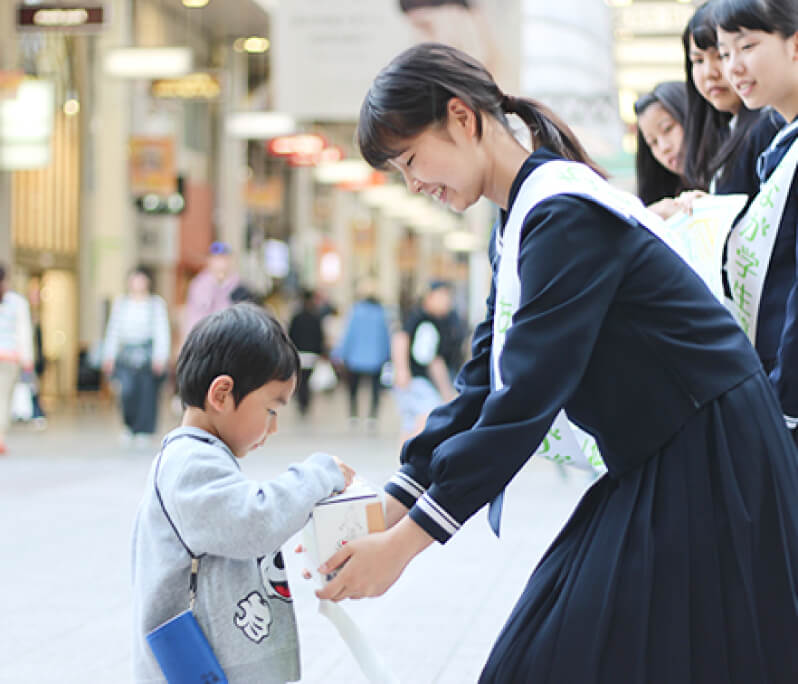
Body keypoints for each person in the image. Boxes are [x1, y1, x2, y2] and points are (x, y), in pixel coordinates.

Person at [315, 43, 798, 682]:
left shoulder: (563, 213)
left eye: (410, 160)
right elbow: (484, 379)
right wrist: (396, 500)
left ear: (462, 118)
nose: (415, 185)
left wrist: (404, 547)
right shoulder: (526, 215)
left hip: (709, 454)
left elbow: (523, 401)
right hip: (666, 453)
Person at [131, 303, 355, 683]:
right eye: (271, 409)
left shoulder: (201, 457)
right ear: (222, 394)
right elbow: (255, 521)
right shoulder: (189, 465)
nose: (274, 427)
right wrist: (319, 474)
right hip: (198, 670)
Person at [716, 0, 798, 445]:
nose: (733, 67)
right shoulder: (779, 145)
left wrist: (784, 406)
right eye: (725, 52)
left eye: (746, 45)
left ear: (795, 45)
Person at [682, 1, 783, 199]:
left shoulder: (769, 126)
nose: (710, 73)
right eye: (698, 60)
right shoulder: (728, 132)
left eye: (721, 55)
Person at [102, 266, 170, 447]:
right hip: (126, 353)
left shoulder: (155, 304)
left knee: (147, 392)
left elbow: (161, 331)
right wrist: (109, 355)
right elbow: (113, 330)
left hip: (147, 352)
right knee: (127, 391)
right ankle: (129, 425)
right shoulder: (121, 303)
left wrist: (160, 357)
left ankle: (145, 429)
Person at [392, 280, 457, 441]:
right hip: (418, 380)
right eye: (442, 296)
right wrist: (402, 370)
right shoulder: (425, 321)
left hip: (413, 380)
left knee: (410, 424)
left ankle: (404, 462)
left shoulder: (428, 319)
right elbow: (432, 359)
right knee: (427, 418)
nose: (447, 301)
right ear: (429, 297)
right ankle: (412, 461)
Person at [332, 277, 391, 429]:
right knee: (375, 388)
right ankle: (373, 415)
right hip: (376, 357)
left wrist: (341, 353)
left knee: (353, 387)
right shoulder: (381, 313)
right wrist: (387, 355)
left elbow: (349, 335)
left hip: (355, 357)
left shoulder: (356, 311)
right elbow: (386, 337)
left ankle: (353, 414)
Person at [633, 81, 691, 218]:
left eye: (668, 129)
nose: (664, 148)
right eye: (653, 142)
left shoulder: (726, 178)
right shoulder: (663, 205)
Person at [0, 264, 33, 455]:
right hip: (9, 358)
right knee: (3, 398)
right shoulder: (17, 302)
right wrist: (27, 359)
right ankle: (1, 438)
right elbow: (23, 332)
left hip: (8, 359)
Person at [181, 241, 241, 344]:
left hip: (231, 340)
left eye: (224, 258)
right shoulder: (199, 284)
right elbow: (198, 314)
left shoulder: (238, 284)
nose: (221, 263)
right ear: (210, 260)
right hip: (204, 340)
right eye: (217, 259)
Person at [288, 290, 325, 416]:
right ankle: (305, 401)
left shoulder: (296, 317)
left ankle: (302, 401)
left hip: (299, 352)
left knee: (301, 380)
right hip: (311, 353)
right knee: (307, 380)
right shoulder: (316, 317)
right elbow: (320, 336)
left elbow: (291, 335)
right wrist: (320, 351)